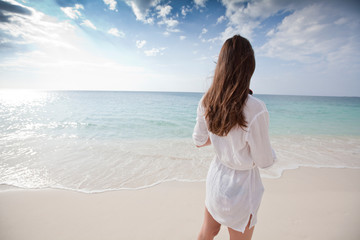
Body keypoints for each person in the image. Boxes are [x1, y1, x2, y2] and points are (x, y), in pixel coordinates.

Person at [193, 35, 276, 240]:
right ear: (249, 67)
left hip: (217, 178)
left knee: (207, 231)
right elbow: (265, 161)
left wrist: (222, 135)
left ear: (220, 65)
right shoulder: (256, 108)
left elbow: (199, 140)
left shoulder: (207, 100)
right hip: (243, 188)